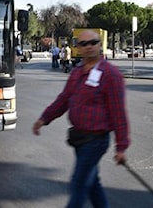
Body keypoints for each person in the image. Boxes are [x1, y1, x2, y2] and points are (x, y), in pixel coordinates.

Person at [32, 30, 130, 208]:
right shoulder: (77, 72)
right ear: (78, 48)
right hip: (79, 138)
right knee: (92, 184)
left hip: (96, 140)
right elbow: (64, 100)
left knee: (79, 184)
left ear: (100, 45)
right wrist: (44, 118)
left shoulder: (111, 74)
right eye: (84, 44)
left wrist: (121, 147)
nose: (89, 46)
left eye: (93, 42)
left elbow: (119, 113)